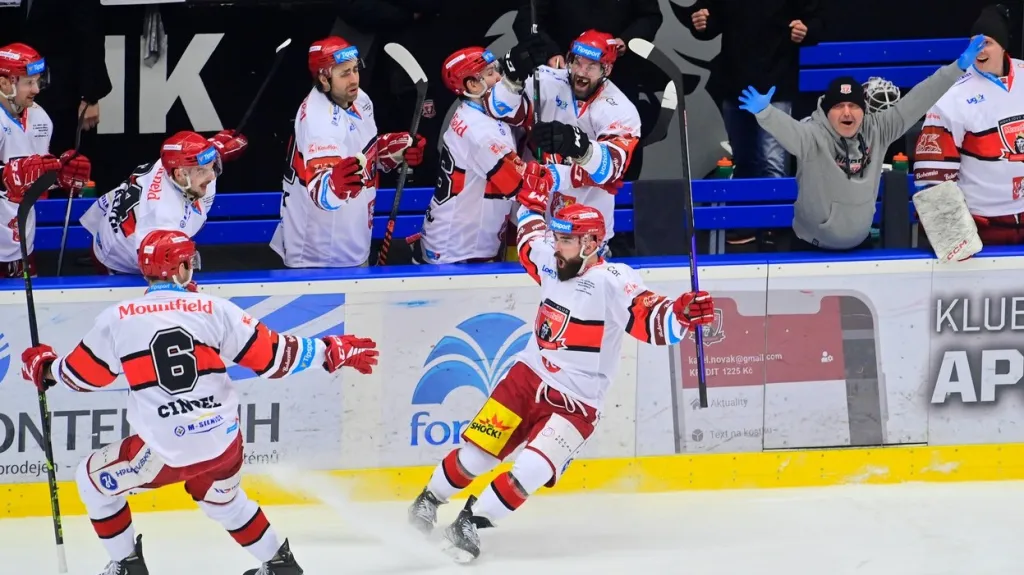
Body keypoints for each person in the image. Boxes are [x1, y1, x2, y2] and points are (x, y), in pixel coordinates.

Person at [20, 229, 379, 575]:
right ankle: (280, 564)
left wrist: (45, 366)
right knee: (223, 501)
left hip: (166, 451)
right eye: (189, 262)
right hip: (223, 442)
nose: (193, 268)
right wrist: (331, 351)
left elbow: (82, 377)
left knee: (90, 480)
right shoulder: (213, 308)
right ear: (177, 269)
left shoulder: (116, 320)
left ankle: (127, 566)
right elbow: (275, 357)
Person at [407, 178, 717, 563]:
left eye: (565, 241)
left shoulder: (613, 281)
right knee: (478, 456)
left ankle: (470, 522)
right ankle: (428, 499)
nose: (556, 246)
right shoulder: (553, 264)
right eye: (557, 238)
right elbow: (528, 238)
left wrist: (682, 315)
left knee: (533, 469)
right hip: (526, 379)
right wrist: (531, 205)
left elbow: (649, 317)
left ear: (589, 244)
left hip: (578, 402)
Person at [737, 35, 986, 251]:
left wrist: (957, 68)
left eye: (854, 106)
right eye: (838, 106)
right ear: (826, 112)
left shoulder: (879, 130)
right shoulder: (812, 136)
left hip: (861, 246)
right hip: (812, 248)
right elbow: (790, 131)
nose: (847, 113)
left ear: (863, 110)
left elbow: (919, 98)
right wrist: (766, 113)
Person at [271, 36, 426, 268]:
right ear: (324, 78)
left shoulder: (359, 99)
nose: (354, 79)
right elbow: (322, 194)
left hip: (352, 243)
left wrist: (392, 150)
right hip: (320, 258)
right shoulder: (318, 123)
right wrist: (333, 184)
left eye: (355, 69)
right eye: (344, 73)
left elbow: (363, 153)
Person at [483, 30, 642, 255]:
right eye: (577, 62)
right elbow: (499, 109)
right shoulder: (544, 79)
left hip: (584, 234)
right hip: (529, 223)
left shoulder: (620, 109)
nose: (581, 71)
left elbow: (611, 170)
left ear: (606, 69)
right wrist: (512, 78)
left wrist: (576, 144)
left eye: (591, 66)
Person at [687, 0, 822, 247]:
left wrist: (806, 30)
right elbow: (706, 17)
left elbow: (816, 21)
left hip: (775, 82)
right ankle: (747, 223)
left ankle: (775, 227)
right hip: (735, 81)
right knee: (745, 159)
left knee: (773, 162)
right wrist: (700, 21)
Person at [414, 46, 553, 264]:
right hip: (458, 250)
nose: (499, 77)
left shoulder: (482, 114)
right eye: (490, 74)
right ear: (472, 84)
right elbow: (517, 185)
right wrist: (571, 173)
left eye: (497, 70)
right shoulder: (480, 131)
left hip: (462, 240)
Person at [511, 0, 662, 181]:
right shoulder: (549, 79)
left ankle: (620, 201)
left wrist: (627, 40)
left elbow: (651, 16)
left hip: (619, 74)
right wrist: (550, 51)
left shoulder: (623, 106)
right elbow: (527, 19)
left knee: (622, 150)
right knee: (547, 141)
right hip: (562, 73)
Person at [914, 5, 1024, 246]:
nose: (978, 50)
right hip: (982, 228)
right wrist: (955, 243)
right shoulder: (952, 94)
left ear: (1003, 45)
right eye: (973, 43)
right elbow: (934, 181)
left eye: (986, 43)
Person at [79, 129, 247, 277]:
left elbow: (196, 155)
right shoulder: (162, 218)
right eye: (202, 171)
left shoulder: (172, 163)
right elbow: (161, 277)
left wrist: (216, 150)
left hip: (121, 228)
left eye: (213, 166)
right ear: (180, 175)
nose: (212, 176)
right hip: (119, 262)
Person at [0, 42, 91, 278]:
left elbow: (31, 181)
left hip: (20, 245)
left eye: (38, 81)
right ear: (4, 82)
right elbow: (15, 178)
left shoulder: (40, 118)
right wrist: (7, 176)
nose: (36, 89)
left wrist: (59, 175)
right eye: (29, 82)